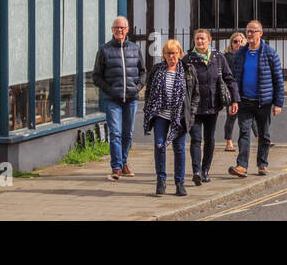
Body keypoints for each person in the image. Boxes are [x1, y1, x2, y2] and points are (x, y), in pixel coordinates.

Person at [227, 20, 284, 178]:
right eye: (248, 31)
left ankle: (262, 164)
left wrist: (278, 103)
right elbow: (234, 79)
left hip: (263, 102)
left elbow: (278, 79)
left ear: (261, 33)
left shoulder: (270, 53)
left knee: (264, 134)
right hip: (244, 101)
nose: (249, 34)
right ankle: (242, 166)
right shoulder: (240, 54)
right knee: (244, 133)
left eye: (253, 31)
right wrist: (234, 100)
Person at [142, 39, 198, 196]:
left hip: (179, 116)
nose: (171, 56)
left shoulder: (188, 70)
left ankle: (180, 183)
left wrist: (191, 113)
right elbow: (149, 93)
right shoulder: (157, 69)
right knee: (159, 145)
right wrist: (149, 109)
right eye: (168, 53)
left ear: (180, 53)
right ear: (163, 55)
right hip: (161, 115)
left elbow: (195, 95)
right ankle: (161, 181)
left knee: (179, 149)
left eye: (174, 53)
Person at [92, 16, 145, 182]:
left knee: (127, 133)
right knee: (115, 133)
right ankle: (116, 166)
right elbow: (96, 76)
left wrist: (137, 87)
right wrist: (109, 90)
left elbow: (143, 72)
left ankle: (124, 162)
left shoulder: (135, 49)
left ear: (127, 29)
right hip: (113, 99)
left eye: (122, 28)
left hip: (131, 98)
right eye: (116, 28)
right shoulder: (105, 50)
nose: (120, 31)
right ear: (112, 30)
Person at [184, 28, 239, 185]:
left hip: (212, 106)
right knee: (196, 139)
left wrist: (234, 100)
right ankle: (196, 171)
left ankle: (205, 170)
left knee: (210, 139)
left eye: (203, 38)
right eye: (197, 39)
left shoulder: (218, 57)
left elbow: (229, 79)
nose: (200, 41)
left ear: (209, 41)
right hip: (194, 107)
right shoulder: (187, 59)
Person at [222, 31, 245, 152]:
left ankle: (259, 138)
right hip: (232, 90)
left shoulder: (248, 55)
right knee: (231, 116)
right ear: (231, 44)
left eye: (241, 41)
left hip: (245, 90)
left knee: (250, 118)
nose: (238, 44)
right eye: (235, 42)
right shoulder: (227, 57)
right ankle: (228, 142)